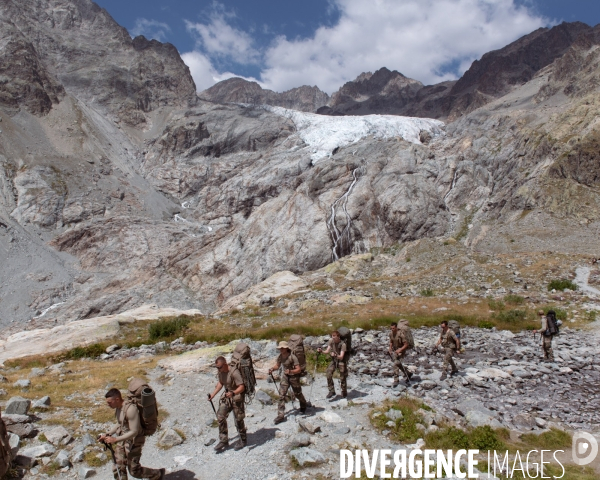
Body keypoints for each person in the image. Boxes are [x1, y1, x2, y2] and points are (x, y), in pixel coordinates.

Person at [98, 387, 164, 480]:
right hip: (123, 440)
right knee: (118, 466)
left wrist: (115, 439)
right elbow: (120, 423)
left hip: (134, 442)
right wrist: (108, 434)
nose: (108, 405)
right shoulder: (118, 408)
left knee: (134, 471)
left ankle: (157, 474)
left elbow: (134, 431)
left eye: (109, 402)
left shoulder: (130, 410)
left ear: (117, 399)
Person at [208, 356, 247, 451]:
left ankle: (243, 439)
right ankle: (223, 440)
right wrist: (213, 395)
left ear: (225, 364)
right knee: (220, 416)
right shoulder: (221, 372)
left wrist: (233, 393)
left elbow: (242, 387)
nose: (218, 369)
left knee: (239, 419)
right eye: (217, 367)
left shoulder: (234, 372)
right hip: (227, 398)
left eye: (220, 367)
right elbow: (221, 383)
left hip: (236, 397)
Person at [269, 341, 307, 424]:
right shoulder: (280, 356)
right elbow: (277, 365)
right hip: (285, 377)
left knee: (297, 394)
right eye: (280, 348)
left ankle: (303, 404)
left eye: (282, 348)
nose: (281, 350)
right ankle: (280, 415)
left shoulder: (292, 357)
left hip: (294, 377)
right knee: (281, 394)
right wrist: (272, 369)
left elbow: (298, 369)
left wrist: (290, 371)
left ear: (286, 348)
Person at [318, 330, 348, 399]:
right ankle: (331, 391)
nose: (333, 337)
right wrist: (321, 351)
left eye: (334, 336)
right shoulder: (331, 341)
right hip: (334, 360)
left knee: (342, 377)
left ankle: (344, 392)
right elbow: (327, 351)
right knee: (328, 373)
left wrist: (335, 355)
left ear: (338, 337)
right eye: (332, 336)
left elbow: (341, 356)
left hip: (341, 361)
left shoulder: (343, 344)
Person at [388, 322, 413, 386]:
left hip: (402, 350)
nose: (392, 329)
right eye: (391, 328)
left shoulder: (401, 334)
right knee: (398, 364)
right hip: (395, 350)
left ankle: (396, 380)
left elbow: (406, 344)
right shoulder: (391, 334)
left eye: (393, 328)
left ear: (396, 328)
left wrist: (400, 350)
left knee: (396, 363)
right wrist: (390, 348)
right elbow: (391, 341)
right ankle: (408, 373)